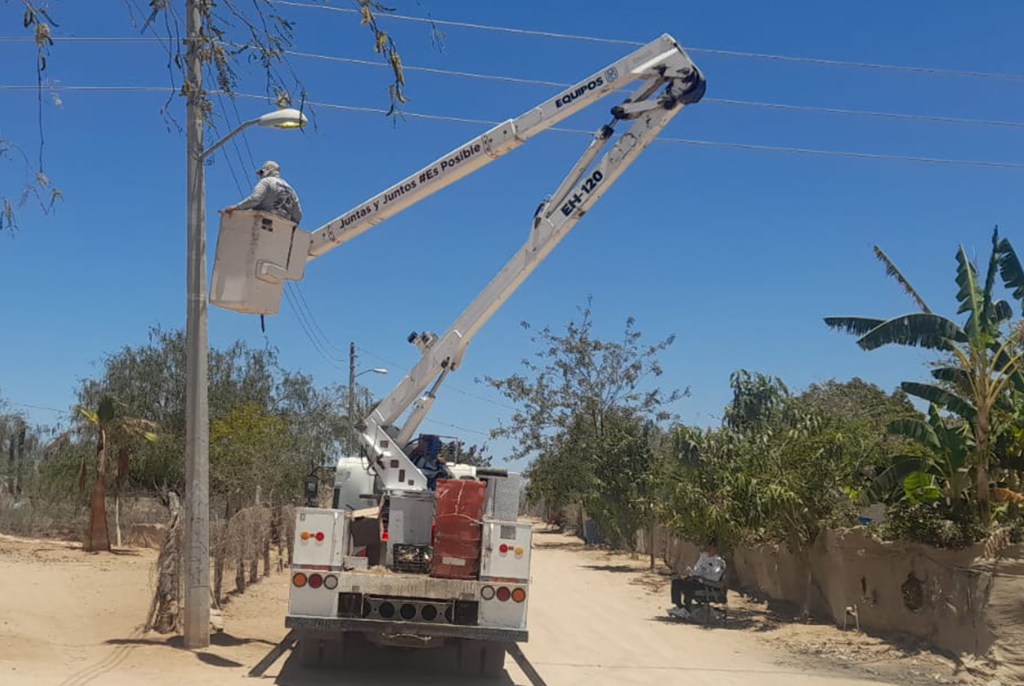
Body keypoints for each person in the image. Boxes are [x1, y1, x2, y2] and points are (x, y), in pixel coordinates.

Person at [224, 160, 303, 224]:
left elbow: (255, 198)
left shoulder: (266, 181)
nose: (260, 176)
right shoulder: (291, 189)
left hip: (262, 225)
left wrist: (237, 208)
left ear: (268, 171)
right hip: (283, 231)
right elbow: (298, 215)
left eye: (261, 172)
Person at [668, 540, 725, 620]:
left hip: (706, 584)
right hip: (696, 579)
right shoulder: (704, 557)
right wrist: (691, 572)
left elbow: (715, 577)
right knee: (676, 582)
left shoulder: (719, 562)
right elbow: (697, 569)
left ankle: (687, 609)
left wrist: (701, 577)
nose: (709, 549)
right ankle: (680, 607)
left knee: (689, 585)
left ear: (716, 549)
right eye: (709, 547)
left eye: (712, 548)